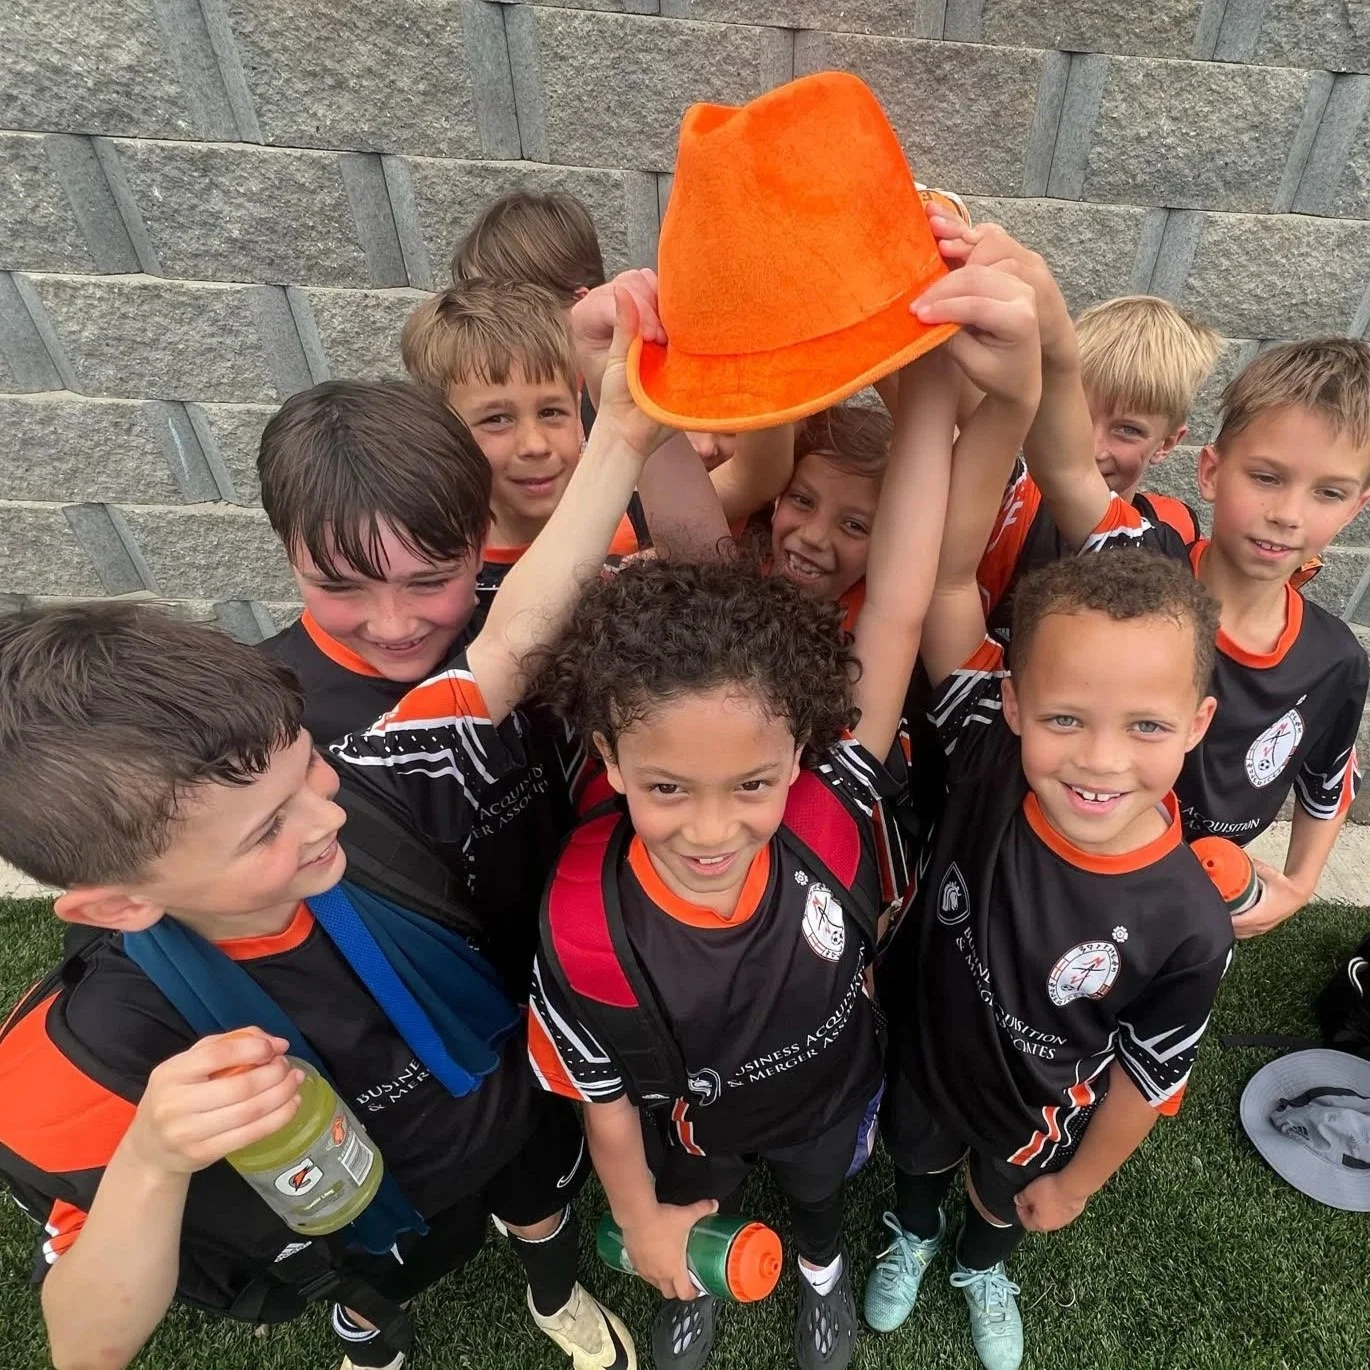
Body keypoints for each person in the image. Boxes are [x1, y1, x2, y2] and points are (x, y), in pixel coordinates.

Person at [0, 290, 674, 1370]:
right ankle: (374, 1337)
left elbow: (504, 648)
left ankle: (550, 1285)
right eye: (269, 827)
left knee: (538, 1200)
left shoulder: (352, 789)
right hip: (364, 1201)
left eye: (307, 767)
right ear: (121, 904)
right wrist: (154, 1159)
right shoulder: (118, 1032)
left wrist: (626, 428)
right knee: (377, 1287)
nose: (326, 815)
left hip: (503, 1092)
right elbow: (83, 1342)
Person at [527, 262, 1042, 1370]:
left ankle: (823, 1272)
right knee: (690, 1188)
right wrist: (617, 382)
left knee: (817, 1195)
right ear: (608, 754)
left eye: (752, 783)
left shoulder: (831, 796)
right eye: (667, 786)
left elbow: (898, 599)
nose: (711, 828)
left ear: (799, 750)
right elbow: (605, 1104)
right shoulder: (579, 918)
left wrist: (931, 394)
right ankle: (692, 1281)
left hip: (825, 1091)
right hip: (688, 1125)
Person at [938, 216, 1370, 941]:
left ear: (1359, 505)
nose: (1288, 515)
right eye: (1267, 477)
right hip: (1057, 859)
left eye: (1327, 493)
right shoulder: (1140, 562)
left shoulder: (1334, 659)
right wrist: (1047, 323)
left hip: (1187, 904)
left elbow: (1330, 779)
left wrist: (1297, 885)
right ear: (1210, 468)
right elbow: (1068, 465)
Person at [866, 545, 1234, 1367]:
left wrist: (1077, 1185)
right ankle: (914, 1236)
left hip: (1034, 1118)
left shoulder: (1191, 927)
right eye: (1066, 717)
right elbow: (950, 572)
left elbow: (1148, 1077)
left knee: (1004, 1206)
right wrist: (977, 413)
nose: (1101, 760)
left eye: (1146, 726)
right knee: (917, 1165)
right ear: (1015, 706)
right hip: (926, 1062)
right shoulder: (987, 755)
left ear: (1198, 723)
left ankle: (978, 1269)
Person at [973, 290, 1221, 643]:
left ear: (1167, 443)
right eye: (1077, 416)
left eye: (1127, 430)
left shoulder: (1177, 528)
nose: (1092, 449)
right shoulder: (1013, 499)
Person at [257, 380, 490, 743]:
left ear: (480, 546)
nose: (393, 628)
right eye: (340, 586)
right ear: (290, 556)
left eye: (428, 582)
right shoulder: (258, 720)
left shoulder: (526, 631)